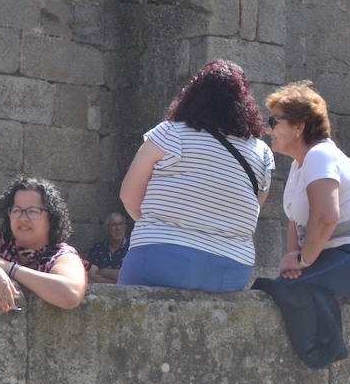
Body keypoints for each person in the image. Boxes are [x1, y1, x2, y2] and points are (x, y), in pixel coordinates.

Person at [252, 81, 350, 368]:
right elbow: (297, 222)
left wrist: (302, 260)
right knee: (289, 285)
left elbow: (326, 217)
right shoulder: (301, 164)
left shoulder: (320, 155)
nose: (267, 129)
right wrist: (295, 261)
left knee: (275, 288)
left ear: (299, 127)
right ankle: (326, 345)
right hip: (343, 256)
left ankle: (323, 351)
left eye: (274, 121)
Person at [118, 59, 275, 292]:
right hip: (230, 269)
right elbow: (254, 210)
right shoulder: (261, 152)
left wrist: (161, 229)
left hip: (160, 257)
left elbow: (129, 196)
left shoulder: (169, 133)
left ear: (193, 95)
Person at [0, 177, 87, 311]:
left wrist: (9, 268)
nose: (23, 218)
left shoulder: (62, 255)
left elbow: (70, 295)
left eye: (32, 211)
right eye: (17, 210)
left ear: (51, 217)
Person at [86, 212, 130, 284]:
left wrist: (103, 271)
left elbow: (129, 276)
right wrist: (117, 281)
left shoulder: (132, 249)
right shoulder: (97, 248)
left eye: (121, 224)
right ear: (107, 228)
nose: (118, 228)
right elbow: (91, 276)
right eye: (113, 225)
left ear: (125, 227)